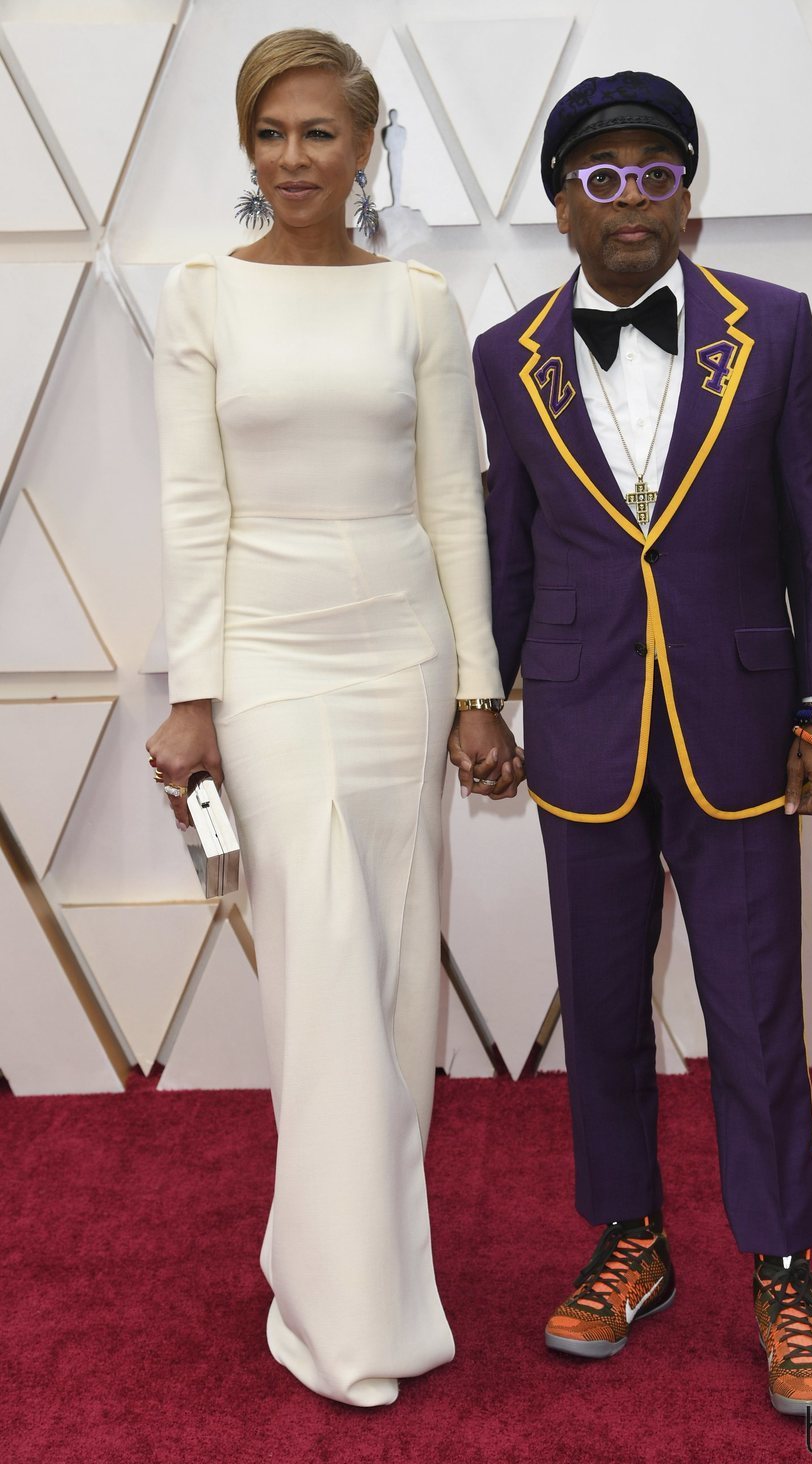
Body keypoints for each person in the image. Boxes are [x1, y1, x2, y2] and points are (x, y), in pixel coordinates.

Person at [472, 71, 812, 1419]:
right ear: (562, 206)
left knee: (756, 1012)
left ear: (688, 198)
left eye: (654, 173)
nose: (629, 199)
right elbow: (506, 549)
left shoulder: (775, 329)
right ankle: (629, 1241)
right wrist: (483, 695)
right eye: (601, 176)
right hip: (582, 725)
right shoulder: (505, 356)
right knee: (601, 1007)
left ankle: (782, 1269)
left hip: (745, 729)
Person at [146, 27, 521, 1408]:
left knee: (393, 979)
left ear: (365, 150)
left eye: (318, 133)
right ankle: (339, 1304)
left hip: (401, 653)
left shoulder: (417, 302)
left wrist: (478, 687)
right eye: (270, 132)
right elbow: (192, 506)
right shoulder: (200, 299)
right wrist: (195, 696)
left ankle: (359, 1262)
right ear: (247, 148)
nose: (292, 157)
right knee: (319, 972)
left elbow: (450, 506)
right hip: (269, 657)